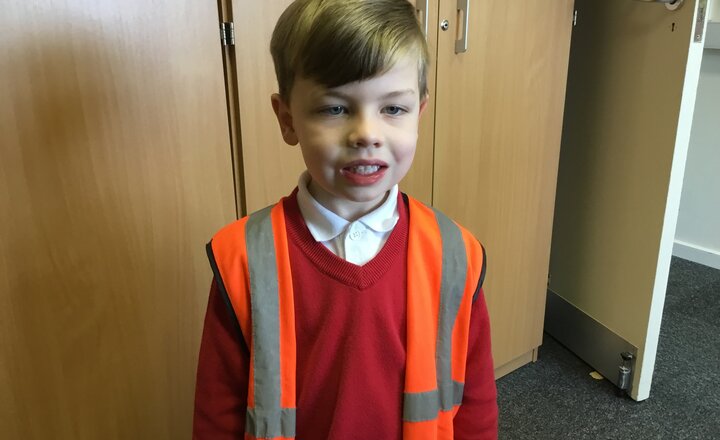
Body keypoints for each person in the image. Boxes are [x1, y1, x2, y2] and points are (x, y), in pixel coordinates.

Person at [192, 0, 498, 438]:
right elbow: (216, 414)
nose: (366, 134)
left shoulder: (456, 255)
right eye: (335, 109)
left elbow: (476, 406)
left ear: (419, 114)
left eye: (393, 109)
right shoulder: (242, 260)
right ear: (287, 119)